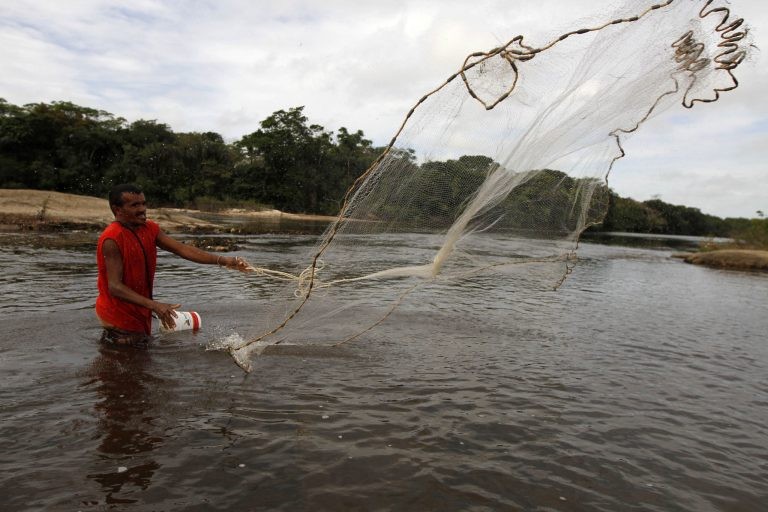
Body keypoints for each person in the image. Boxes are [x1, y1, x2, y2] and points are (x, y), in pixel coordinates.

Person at [96, 184, 251, 345]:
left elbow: (182, 249)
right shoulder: (112, 239)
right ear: (117, 210)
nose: (142, 209)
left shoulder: (149, 228)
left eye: (143, 203)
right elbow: (115, 287)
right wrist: (155, 306)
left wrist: (225, 261)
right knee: (131, 356)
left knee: (141, 355)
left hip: (139, 311)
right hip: (117, 317)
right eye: (135, 205)